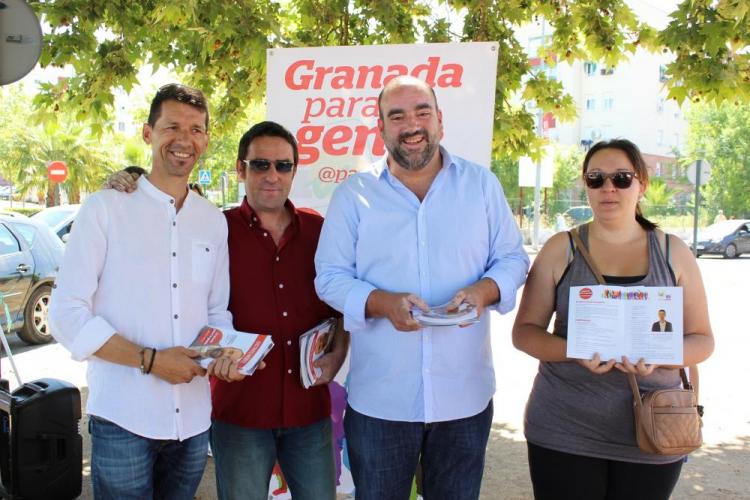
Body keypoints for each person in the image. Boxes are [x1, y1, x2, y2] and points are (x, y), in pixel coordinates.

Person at [105, 121, 348, 500]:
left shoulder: (320, 232)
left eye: (283, 166)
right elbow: (159, 233)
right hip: (240, 414)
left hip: (307, 413)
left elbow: (341, 305)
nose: (272, 175)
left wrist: (339, 350)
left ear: (295, 171)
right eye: (260, 164)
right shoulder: (212, 228)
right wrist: (130, 183)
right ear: (240, 169)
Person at [314, 75, 529, 500]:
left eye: (421, 112)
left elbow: (513, 258)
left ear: (440, 122)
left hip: (464, 396)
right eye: (397, 116)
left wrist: (483, 291)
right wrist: (381, 303)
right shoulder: (354, 194)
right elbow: (330, 277)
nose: (411, 125)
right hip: (381, 399)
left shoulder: (481, 185)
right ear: (380, 129)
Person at [49, 84, 245, 500]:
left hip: (192, 421)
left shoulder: (213, 221)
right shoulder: (105, 208)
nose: (184, 139)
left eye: (196, 129)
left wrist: (224, 351)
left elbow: (216, 312)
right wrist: (152, 361)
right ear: (147, 132)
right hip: (123, 417)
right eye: (172, 126)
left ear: (206, 140)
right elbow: (67, 314)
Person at [512, 138, 714, 500]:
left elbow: (702, 339)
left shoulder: (674, 252)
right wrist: (576, 350)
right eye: (596, 178)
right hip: (564, 428)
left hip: (654, 427)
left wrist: (659, 356)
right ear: (584, 185)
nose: (608, 188)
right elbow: (525, 334)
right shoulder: (561, 247)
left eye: (621, 178)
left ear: (641, 184)